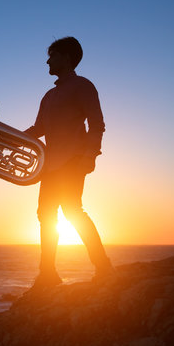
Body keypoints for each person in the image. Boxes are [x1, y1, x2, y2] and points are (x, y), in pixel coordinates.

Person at [24, 37, 114, 287]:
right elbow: (39, 127)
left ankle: (103, 267)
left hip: (73, 160)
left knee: (73, 211)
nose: (47, 60)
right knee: (45, 215)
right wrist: (9, 134)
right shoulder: (49, 95)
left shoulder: (83, 86)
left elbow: (97, 124)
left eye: (52, 55)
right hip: (50, 164)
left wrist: (90, 155)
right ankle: (48, 274)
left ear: (66, 57)